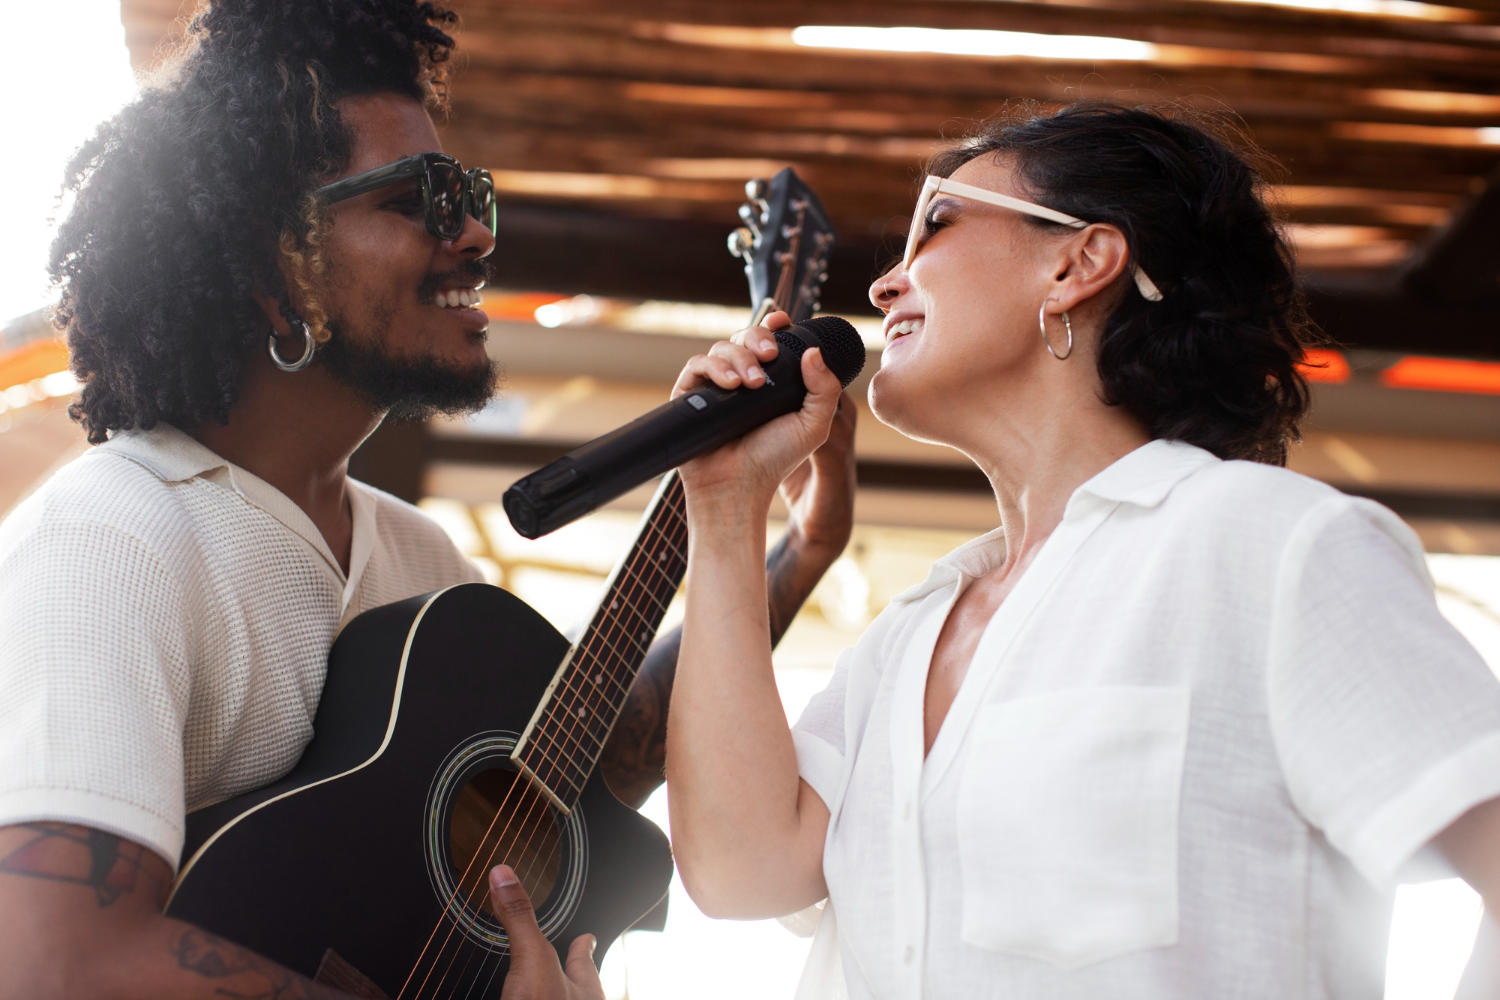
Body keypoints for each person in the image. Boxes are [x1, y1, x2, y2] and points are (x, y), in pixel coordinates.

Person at [0, 1, 854, 998]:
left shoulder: (416, 561)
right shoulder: (117, 533)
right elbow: (54, 958)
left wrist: (794, 551)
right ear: (278, 270)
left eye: (471, 192)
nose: (479, 233)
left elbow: (565, 776)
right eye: (424, 197)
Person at [664, 102, 1500, 999]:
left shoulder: (1267, 543)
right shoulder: (901, 642)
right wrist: (724, 511)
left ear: (1078, 263)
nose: (883, 286)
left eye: (935, 223)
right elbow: (740, 873)